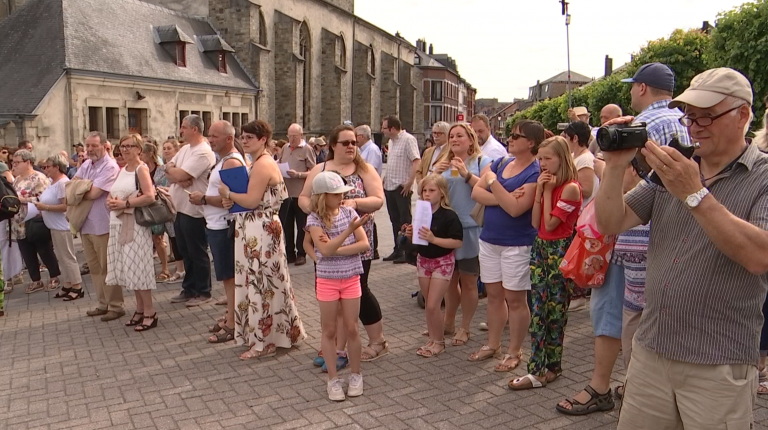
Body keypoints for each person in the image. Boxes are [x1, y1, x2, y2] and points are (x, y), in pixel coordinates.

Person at [597, 68, 768, 428]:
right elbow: (611, 222)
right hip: (651, 352)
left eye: (707, 115)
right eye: (690, 115)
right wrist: (614, 168)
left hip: (717, 364)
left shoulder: (762, 176)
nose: (695, 125)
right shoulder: (675, 167)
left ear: (743, 115)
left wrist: (695, 194)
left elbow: (759, 256)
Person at [556, 157, 650, 415]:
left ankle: (607, 388)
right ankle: (624, 385)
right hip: (615, 256)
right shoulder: (638, 193)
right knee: (613, 318)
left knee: (617, 320)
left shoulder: (645, 193)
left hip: (627, 262)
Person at [300, 124, 388, 364]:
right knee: (330, 295)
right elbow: (303, 198)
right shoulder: (320, 168)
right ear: (332, 146)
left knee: (359, 290)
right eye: (346, 142)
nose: (351, 146)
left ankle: (377, 340)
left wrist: (355, 204)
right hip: (327, 241)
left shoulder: (364, 169)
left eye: (354, 142)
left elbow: (378, 200)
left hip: (358, 237)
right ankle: (334, 346)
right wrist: (318, 210)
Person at [218, 119, 305, 360]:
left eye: (249, 137)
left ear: (263, 139)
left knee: (262, 283)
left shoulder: (263, 163)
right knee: (267, 282)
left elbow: (252, 200)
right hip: (255, 226)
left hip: (261, 228)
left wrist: (228, 193)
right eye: (243, 137)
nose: (244, 141)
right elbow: (246, 200)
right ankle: (280, 333)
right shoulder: (257, 162)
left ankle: (265, 341)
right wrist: (231, 200)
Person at [470, 119, 544, 369]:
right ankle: (493, 344)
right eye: (510, 134)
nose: (509, 139)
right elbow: (475, 194)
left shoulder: (535, 171)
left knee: (515, 298)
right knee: (493, 295)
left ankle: (514, 351)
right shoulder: (502, 162)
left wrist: (492, 183)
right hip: (489, 239)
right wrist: (504, 196)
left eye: (516, 136)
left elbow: (515, 209)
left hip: (517, 243)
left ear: (531, 142)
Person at [510, 136, 581, 390]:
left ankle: (547, 368)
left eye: (547, 158)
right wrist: (540, 191)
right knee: (539, 309)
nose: (542, 164)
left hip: (559, 251)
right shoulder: (546, 184)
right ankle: (540, 367)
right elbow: (536, 222)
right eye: (540, 158)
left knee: (554, 312)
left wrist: (548, 191)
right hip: (541, 247)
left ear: (562, 158)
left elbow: (552, 224)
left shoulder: (571, 187)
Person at [306, 171, 370, 401]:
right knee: (329, 330)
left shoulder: (350, 212)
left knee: (352, 328)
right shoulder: (314, 219)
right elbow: (323, 250)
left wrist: (336, 250)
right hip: (327, 281)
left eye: (342, 193)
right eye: (336, 194)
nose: (341, 197)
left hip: (351, 277)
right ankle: (332, 380)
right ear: (323, 196)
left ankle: (356, 375)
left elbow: (363, 244)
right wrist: (347, 233)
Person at [433, 123, 492, 346]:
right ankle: (448, 322)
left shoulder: (481, 161)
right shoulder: (443, 162)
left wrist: (467, 175)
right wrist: (435, 173)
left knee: (468, 281)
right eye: (451, 136)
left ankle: (465, 327)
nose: (454, 139)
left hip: (470, 228)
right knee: (448, 280)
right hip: (446, 229)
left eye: (459, 135)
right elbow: (429, 190)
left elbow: (487, 188)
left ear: (470, 138)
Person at [188, 120, 244, 343]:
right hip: (216, 225)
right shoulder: (224, 161)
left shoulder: (231, 162)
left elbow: (234, 201)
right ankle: (232, 316)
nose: (210, 140)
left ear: (229, 138)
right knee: (227, 278)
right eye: (209, 135)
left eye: (214, 136)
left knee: (230, 278)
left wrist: (202, 198)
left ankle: (233, 323)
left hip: (224, 227)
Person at [103, 135, 158, 331]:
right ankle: (140, 309)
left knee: (139, 268)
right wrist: (112, 201)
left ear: (139, 149)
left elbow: (149, 196)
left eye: (129, 146)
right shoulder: (122, 169)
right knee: (129, 269)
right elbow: (116, 192)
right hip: (118, 223)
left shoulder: (141, 168)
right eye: (122, 146)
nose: (125, 150)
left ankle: (150, 311)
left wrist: (125, 203)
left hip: (134, 224)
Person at [406, 174, 463, 357]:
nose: (427, 194)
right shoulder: (421, 213)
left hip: (443, 262)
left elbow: (457, 242)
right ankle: (432, 337)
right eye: (424, 191)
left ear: (442, 192)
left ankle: (439, 342)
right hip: (424, 260)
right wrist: (410, 233)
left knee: (432, 304)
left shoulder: (449, 216)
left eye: (432, 190)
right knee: (429, 303)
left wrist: (433, 238)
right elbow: (419, 240)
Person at [166, 115, 216, 306]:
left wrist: (177, 174)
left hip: (194, 210)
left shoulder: (203, 152)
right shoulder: (186, 148)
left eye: (184, 127)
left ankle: (203, 291)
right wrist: (177, 176)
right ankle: (189, 288)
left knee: (197, 251)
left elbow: (181, 173)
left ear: (194, 129)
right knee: (185, 251)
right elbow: (168, 170)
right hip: (180, 208)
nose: (181, 131)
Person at [77, 132, 122, 321]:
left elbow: (94, 193)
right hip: (86, 223)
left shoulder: (110, 166)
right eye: (87, 145)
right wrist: (83, 188)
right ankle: (102, 303)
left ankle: (116, 306)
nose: (89, 149)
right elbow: (72, 186)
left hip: (102, 224)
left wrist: (81, 189)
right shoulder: (87, 164)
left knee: (107, 267)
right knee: (95, 268)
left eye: (94, 145)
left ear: (105, 145)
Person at [11, 149, 61, 294]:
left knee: (44, 249)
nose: (14, 165)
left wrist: (23, 200)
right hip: (19, 222)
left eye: (17, 162)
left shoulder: (39, 178)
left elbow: (45, 198)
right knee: (27, 252)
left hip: (35, 220)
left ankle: (54, 276)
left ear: (28, 162)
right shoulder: (17, 179)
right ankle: (35, 280)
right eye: (13, 162)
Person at [36, 154, 83, 301]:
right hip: (54, 226)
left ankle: (77, 286)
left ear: (57, 167)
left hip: (63, 226)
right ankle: (67, 283)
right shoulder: (52, 182)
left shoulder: (63, 183)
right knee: (61, 257)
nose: (45, 170)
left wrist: (46, 207)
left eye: (48, 167)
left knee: (68, 256)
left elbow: (66, 206)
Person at [620, 62, 691, 147]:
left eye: (632, 86)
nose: (630, 91)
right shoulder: (688, 122)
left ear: (642, 88)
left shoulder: (640, 126)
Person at [381, 115, 420, 263]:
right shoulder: (391, 142)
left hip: (401, 187)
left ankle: (407, 250)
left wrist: (410, 182)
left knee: (404, 220)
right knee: (394, 219)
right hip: (390, 185)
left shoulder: (408, 139)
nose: (382, 131)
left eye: (384, 128)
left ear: (392, 128)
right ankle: (397, 249)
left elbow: (416, 160)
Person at [277, 123, 316, 266]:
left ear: (301, 136)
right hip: (286, 194)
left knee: (301, 226)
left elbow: (313, 171)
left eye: (295, 136)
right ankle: (289, 253)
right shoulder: (284, 148)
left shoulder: (307, 149)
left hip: (301, 194)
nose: (292, 139)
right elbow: (279, 162)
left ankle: (301, 253)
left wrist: (298, 174)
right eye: (290, 136)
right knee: (286, 225)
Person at [140, 143, 171, 282]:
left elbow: (168, 185)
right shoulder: (141, 169)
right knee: (153, 238)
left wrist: (157, 189)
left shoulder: (161, 169)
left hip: (160, 206)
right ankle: (150, 268)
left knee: (159, 238)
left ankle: (165, 268)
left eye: (142, 153)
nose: (140, 156)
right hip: (146, 207)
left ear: (149, 154)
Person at [158, 139, 185, 282]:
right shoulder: (161, 167)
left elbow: (181, 183)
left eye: (169, 148)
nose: (166, 150)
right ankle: (179, 267)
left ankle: (181, 268)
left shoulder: (179, 166)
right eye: (164, 148)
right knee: (172, 238)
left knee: (177, 237)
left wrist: (167, 189)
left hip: (177, 204)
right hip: (164, 206)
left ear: (175, 150)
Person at [355, 125, 383, 259]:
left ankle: (374, 249)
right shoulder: (362, 150)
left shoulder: (371, 150)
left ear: (361, 136)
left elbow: (370, 170)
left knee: (370, 221)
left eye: (355, 137)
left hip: (369, 190)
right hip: (363, 191)